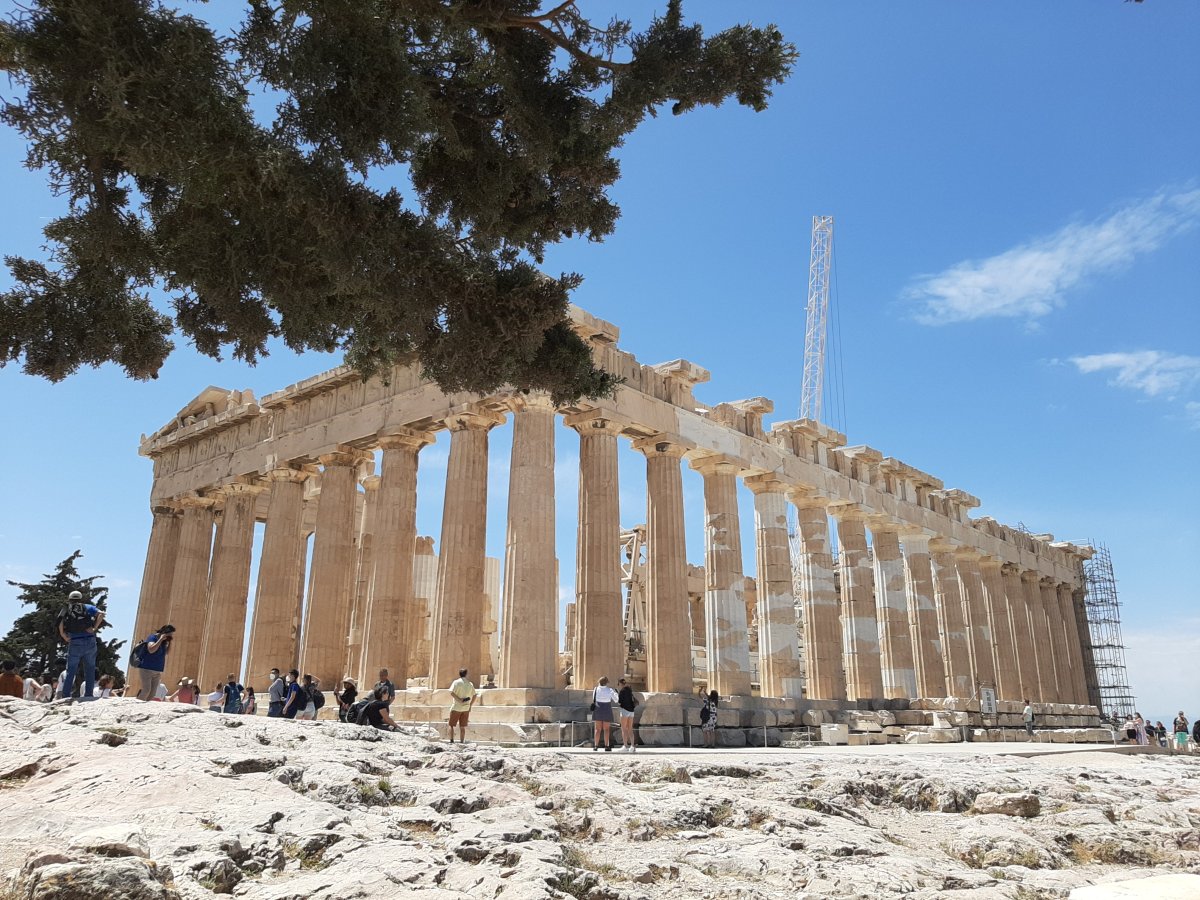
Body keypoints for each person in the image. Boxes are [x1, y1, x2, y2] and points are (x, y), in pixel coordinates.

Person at [57, 590, 104, 700]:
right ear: (80, 598)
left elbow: (59, 621)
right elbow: (101, 614)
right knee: (90, 668)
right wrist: (94, 628)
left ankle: (66, 695)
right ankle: (88, 694)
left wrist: (63, 635)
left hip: (75, 641)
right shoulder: (88, 607)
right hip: (90, 640)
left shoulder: (66, 608)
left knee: (71, 670)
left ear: (70, 599)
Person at [134, 625, 175, 701]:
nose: (171, 636)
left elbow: (166, 652)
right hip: (146, 669)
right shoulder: (152, 637)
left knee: (152, 693)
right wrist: (160, 639)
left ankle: (145, 708)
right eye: (170, 634)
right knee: (146, 690)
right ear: (164, 632)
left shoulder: (164, 642)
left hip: (157, 670)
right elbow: (151, 649)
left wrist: (169, 643)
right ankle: (136, 706)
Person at [588, 675, 619, 752]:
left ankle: (596, 746)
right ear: (606, 683)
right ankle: (606, 745)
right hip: (607, 708)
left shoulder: (595, 689)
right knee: (606, 729)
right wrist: (616, 693)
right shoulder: (610, 690)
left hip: (598, 708)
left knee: (597, 729)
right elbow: (616, 700)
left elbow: (593, 699)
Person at [447, 667, 475, 744]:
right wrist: (470, 705)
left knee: (451, 725)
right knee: (462, 726)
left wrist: (459, 699)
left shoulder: (456, 682)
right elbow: (475, 695)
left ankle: (451, 741)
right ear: (466, 674)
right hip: (466, 708)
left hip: (456, 707)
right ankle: (462, 741)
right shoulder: (470, 684)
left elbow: (451, 692)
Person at [617, 677, 638, 752]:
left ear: (620, 683)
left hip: (624, 711)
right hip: (631, 711)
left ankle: (625, 746)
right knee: (630, 729)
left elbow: (619, 702)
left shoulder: (622, 691)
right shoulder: (629, 689)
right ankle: (632, 746)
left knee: (624, 729)